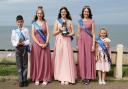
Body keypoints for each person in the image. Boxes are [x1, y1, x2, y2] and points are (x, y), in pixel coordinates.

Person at [52, 6, 76, 85]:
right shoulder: (57, 21)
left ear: (67, 13)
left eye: (64, 12)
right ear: (60, 13)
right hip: (59, 41)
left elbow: (73, 33)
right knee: (60, 58)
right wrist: (60, 30)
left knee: (67, 58)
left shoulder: (70, 21)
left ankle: (67, 77)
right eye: (62, 12)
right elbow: (54, 33)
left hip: (67, 41)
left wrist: (68, 34)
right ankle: (60, 77)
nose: (63, 13)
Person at [30, 6, 52, 86]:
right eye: (38, 13)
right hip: (36, 44)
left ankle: (45, 78)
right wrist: (39, 43)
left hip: (45, 44)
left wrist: (46, 42)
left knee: (45, 61)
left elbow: (48, 33)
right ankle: (37, 78)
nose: (39, 14)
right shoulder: (34, 23)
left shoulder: (46, 22)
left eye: (41, 13)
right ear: (36, 14)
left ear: (43, 14)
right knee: (37, 61)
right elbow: (32, 35)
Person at [77, 6, 96, 85]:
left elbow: (94, 33)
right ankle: (83, 76)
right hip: (81, 42)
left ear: (89, 13)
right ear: (83, 12)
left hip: (89, 41)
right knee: (82, 59)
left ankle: (88, 77)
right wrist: (76, 43)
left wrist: (93, 45)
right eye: (85, 11)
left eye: (87, 11)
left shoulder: (92, 21)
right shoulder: (80, 21)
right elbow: (78, 33)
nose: (86, 13)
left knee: (88, 58)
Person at [11, 15, 30, 87]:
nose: (20, 23)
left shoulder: (26, 30)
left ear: (23, 22)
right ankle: (20, 80)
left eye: (21, 22)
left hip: (24, 47)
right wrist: (17, 43)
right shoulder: (14, 31)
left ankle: (25, 80)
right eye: (18, 22)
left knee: (25, 64)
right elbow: (12, 40)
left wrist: (24, 43)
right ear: (16, 22)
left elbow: (28, 39)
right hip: (17, 48)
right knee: (19, 65)